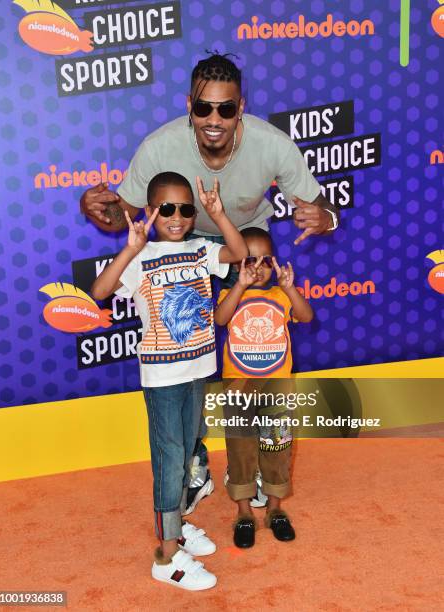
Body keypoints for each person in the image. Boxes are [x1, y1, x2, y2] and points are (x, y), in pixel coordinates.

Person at [81, 53, 339, 513]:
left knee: (256, 360)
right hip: (187, 253)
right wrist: (96, 210)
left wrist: (327, 218)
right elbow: (122, 214)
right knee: (192, 360)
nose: (213, 119)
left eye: (225, 108)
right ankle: (196, 464)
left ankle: (258, 464)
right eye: (204, 108)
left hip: (245, 254)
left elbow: (318, 208)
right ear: (189, 106)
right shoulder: (160, 147)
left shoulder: (271, 144)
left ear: (241, 107)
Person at [91, 171, 247, 589]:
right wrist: (129, 250)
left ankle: (177, 524)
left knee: (192, 450)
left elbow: (239, 251)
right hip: (162, 378)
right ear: (150, 210)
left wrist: (219, 214)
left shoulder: (201, 249)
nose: (176, 217)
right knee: (170, 458)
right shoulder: (140, 257)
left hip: (199, 370)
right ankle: (166, 555)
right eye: (166, 209)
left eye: (185, 209)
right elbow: (100, 291)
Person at [214, 227, 313, 548]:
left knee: (277, 449)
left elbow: (306, 316)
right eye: (249, 261)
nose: (258, 268)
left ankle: (275, 510)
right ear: (236, 265)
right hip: (239, 390)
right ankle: (244, 512)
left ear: (274, 263)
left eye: (265, 261)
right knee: (240, 452)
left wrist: (291, 288)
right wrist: (239, 287)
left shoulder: (280, 296)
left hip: (277, 389)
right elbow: (220, 319)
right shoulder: (230, 295)